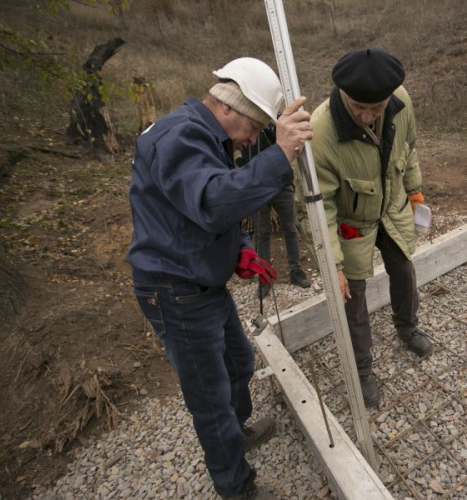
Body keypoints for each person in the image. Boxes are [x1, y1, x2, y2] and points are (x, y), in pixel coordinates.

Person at [127, 57, 313, 499]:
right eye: (256, 126)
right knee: (210, 399)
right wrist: (280, 153)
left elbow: (199, 216)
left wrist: (242, 252)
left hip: (199, 279)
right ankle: (236, 486)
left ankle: (238, 431)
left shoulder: (200, 135)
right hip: (175, 290)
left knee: (238, 362)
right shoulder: (180, 137)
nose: (254, 138)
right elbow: (213, 203)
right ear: (233, 108)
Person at [298, 48, 433, 407]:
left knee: (403, 269)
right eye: (359, 106)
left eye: (377, 107)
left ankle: (407, 327)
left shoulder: (401, 102)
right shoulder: (321, 132)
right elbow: (317, 208)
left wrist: (415, 190)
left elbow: (409, 147)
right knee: (351, 296)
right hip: (351, 223)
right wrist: (333, 265)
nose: (367, 115)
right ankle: (361, 370)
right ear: (342, 92)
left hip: (391, 207)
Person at [236, 124, 312, 299]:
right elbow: (239, 153)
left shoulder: (276, 122)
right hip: (258, 187)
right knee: (262, 233)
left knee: (290, 229)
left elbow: (288, 145)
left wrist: (272, 127)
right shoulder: (249, 125)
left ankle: (296, 272)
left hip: (281, 184)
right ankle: (264, 278)